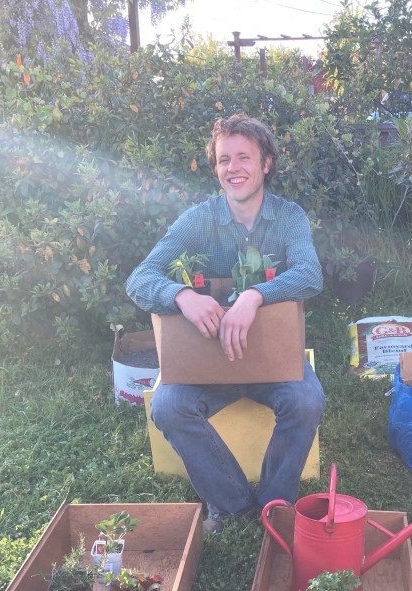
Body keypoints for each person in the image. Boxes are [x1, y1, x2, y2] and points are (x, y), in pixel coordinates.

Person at [126, 113, 325, 534]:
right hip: (208, 363)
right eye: (223, 160)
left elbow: (310, 275)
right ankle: (232, 506)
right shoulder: (198, 219)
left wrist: (254, 295)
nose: (232, 168)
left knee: (306, 401)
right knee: (168, 406)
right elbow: (140, 278)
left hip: (272, 360)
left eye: (243, 157)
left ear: (266, 163)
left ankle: (275, 505)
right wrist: (181, 295)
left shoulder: (289, 217)